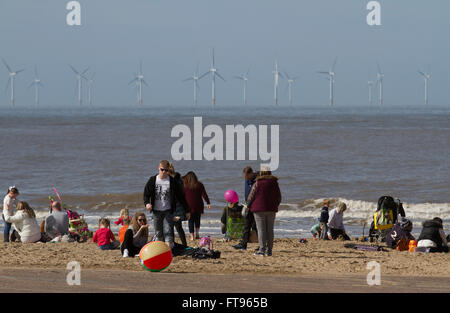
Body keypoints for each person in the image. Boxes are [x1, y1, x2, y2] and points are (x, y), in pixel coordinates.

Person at [143, 160, 190, 249]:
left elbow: (181, 197)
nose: (164, 172)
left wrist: (187, 210)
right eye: (162, 170)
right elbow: (146, 194)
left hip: (168, 210)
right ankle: (160, 251)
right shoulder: (153, 180)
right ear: (159, 168)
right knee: (158, 233)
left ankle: (168, 252)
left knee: (168, 231)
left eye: (166, 170)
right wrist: (147, 203)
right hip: (156, 211)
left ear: (169, 170)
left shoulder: (172, 181)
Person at [247, 166, 281, 256]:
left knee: (261, 230)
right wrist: (275, 205)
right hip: (271, 209)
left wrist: (247, 206)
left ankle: (262, 250)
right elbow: (279, 197)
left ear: (261, 173)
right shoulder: (275, 183)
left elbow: (251, 197)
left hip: (258, 209)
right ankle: (269, 251)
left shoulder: (257, 183)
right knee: (270, 230)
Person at [233, 167, 258, 250]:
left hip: (256, 206)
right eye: (245, 177)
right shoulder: (247, 180)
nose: (246, 179)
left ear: (251, 173)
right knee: (246, 225)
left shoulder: (257, 179)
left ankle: (262, 245)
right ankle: (243, 244)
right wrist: (246, 203)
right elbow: (248, 192)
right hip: (248, 205)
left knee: (257, 227)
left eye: (247, 177)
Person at [182, 171, 210, 241]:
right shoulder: (199, 184)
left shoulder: (185, 185)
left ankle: (192, 236)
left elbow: (182, 196)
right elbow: (204, 194)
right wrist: (208, 203)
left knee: (190, 221)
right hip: (199, 205)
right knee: (197, 220)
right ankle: (197, 234)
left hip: (189, 206)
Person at [168, 163, 188, 247]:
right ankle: (183, 244)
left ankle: (175, 244)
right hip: (176, 205)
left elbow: (180, 194)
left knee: (172, 227)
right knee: (177, 227)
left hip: (174, 205)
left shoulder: (172, 180)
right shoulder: (178, 179)